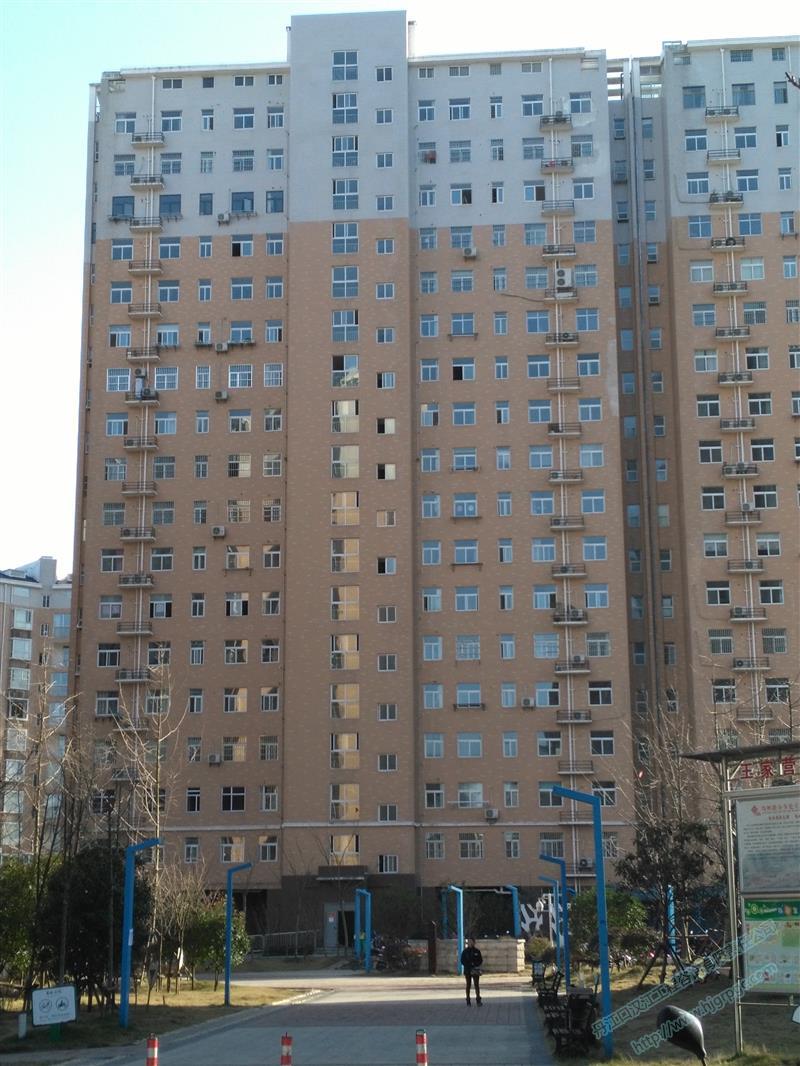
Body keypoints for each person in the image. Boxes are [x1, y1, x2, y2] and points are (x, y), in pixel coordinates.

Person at [461, 937, 483, 1006]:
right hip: (467, 970)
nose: (470, 943)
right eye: (469, 942)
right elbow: (462, 960)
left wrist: (475, 964)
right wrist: (468, 964)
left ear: (474, 943)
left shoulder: (477, 951)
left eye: (471, 942)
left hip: (475, 970)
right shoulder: (465, 951)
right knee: (468, 985)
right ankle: (468, 1000)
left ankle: (478, 1000)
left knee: (476, 985)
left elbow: (480, 960)